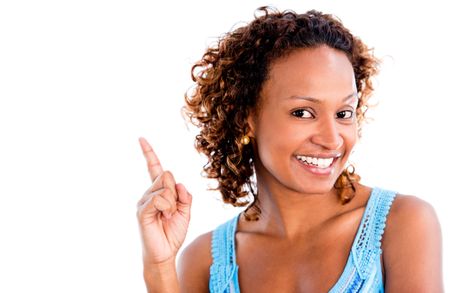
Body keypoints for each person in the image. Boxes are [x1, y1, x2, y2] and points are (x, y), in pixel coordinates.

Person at [136, 7, 443, 292]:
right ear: (247, 118)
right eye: (303, 113)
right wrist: (160, 268)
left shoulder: (402, 224)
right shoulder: (204, 262)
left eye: (343, 113)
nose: (332, 139)